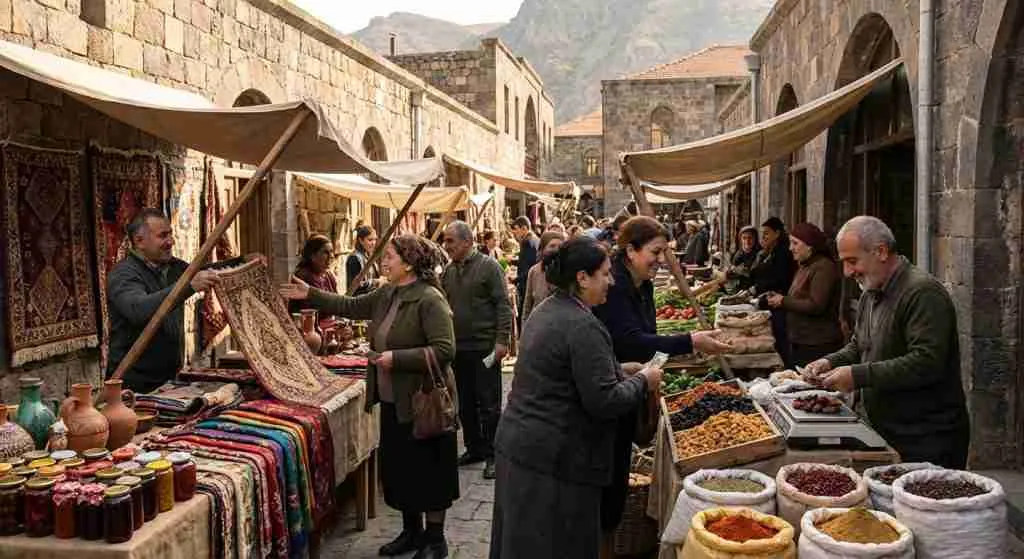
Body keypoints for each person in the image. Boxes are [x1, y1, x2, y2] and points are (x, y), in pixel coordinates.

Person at [280, 234, 458, 559]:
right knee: (403, 470)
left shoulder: (430, 299)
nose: (384, 262)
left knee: (429, 472)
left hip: (422, 402)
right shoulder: (388, 293)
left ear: (407, 263)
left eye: (389, 256)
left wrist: (397, 359)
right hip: (393, 402)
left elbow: (446, 350)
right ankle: (412, 532)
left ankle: (435, 541)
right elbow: (350, 306)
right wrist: (312, 294)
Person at [489, 237, 664, 559]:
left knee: (522, 543)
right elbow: (605, 401)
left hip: (523, 448)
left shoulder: (548, 310)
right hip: (554, 460)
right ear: (582, 278)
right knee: (552, 545)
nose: (611, 281)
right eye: (605, 274)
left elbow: (563, 373)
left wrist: (618, 368)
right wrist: (643, 380)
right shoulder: (583, 325)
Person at [591, 216, 730, 544]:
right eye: (656, 251)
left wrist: (656, 371)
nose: (662, 259)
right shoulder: (616, 286)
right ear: (630, 250)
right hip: (609, 391)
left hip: (632, 385)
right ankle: (602, 545)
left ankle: (607, 538)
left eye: (665, 251)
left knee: (616, 479)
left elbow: (648, 337)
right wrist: (691, 340)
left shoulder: (645, 285)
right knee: (607, 484)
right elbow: (631, 340)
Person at [803, 216, 969, 468]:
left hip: (926, 437)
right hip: (887, 429)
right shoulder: (871, 291)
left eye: (852, 261)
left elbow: (927, 362)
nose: (847, 272)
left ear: (880, 251)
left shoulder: (922, 293)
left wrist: (857, 375)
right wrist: (829, 361)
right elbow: (860, 345)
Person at [106, 208, 253, 393]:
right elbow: (138, 310)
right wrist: (188, 287)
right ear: (139, 241)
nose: (171, 242)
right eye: (163, 236)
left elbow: (204, 271)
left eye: (171, 234)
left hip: (168, 380)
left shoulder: (172, 267)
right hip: (133, 385)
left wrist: (243, 262)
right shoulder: (124, 274)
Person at [441, 221, 513, 480]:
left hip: (484, 347)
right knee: (466, 403)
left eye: (450, 241)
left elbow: (503, 305)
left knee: (489, 403)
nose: (446, 246)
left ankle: (494, 456)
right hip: (458, 348)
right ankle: (475, 448)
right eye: (446, 241)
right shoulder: (449, 271)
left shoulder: (489, 267)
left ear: (467, 242)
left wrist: (502, 341)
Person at [765, 223, 844, 367]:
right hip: (802, 341)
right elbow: (799, 296)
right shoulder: (805, 265)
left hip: (818, 344)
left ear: (810, 246)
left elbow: (816, 305)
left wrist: (783, 301)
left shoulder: (823, 267)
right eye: (790, 243)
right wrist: (780, 297)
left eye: (795, 243)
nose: (791, 248)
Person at [751, 217, 796, 362]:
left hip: (780, 303)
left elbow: (779, 279)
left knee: (780, 338)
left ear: (777, 233)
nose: (763, 237)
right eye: (762, 234)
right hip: (770, 301)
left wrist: (759, 289)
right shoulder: (768, 251)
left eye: (766, 233)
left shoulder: (783, 253)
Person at [289, 235, 339, 318]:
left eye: (331, 251)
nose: (331, 256)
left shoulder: (328, 276)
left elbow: (337, 304)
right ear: (313, 256)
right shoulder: (302, 277)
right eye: (326, 252)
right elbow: (312, 313)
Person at [521, 231, 566, 320]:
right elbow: (527, 306)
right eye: (552, 246)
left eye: (560, 247)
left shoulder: (567, 272)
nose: (556, 249)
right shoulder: (534, 271)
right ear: (543, 249)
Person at [511, 216, 540, 324]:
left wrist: (515, 279)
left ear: (524, 228)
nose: (515, 234)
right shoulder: (534, 239)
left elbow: (529, 268)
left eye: (516, 230)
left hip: (527, 284)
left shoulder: (528, 242)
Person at [345, 225, 380, 296]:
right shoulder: (354, 258)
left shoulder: (369, 256)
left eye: (375, 239)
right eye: (370, 240)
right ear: (361, 240)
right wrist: (375, 282)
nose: (373, 243)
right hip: (358, 302)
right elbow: (355, 286)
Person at [726, 225, 761, 292]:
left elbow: (756, 274)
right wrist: (729, 272)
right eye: (744, 238)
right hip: (741, 289)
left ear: (755, 239)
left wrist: (742, 271)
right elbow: (733, 271)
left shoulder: (760, 253)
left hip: (755, 290)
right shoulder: (739, 253)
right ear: (740, 239)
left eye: (750, 238)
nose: (747, 241)